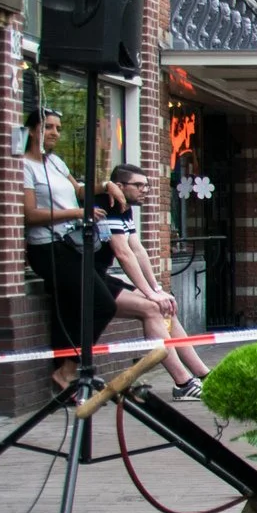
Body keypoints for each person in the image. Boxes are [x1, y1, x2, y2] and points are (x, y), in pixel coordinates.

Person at [95, 165, 206, 398]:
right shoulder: (107, 205)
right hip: (88, 277)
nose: (144, 190)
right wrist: (150, 294)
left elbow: (137, 249)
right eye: (138, 185)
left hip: (101, 275)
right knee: (153, 308)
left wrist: (156, 288)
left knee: (166, 307)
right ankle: (183, 383)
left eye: (146, 185)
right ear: (119, 186)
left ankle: (204, 375)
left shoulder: (124, 208)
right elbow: (123, 253)